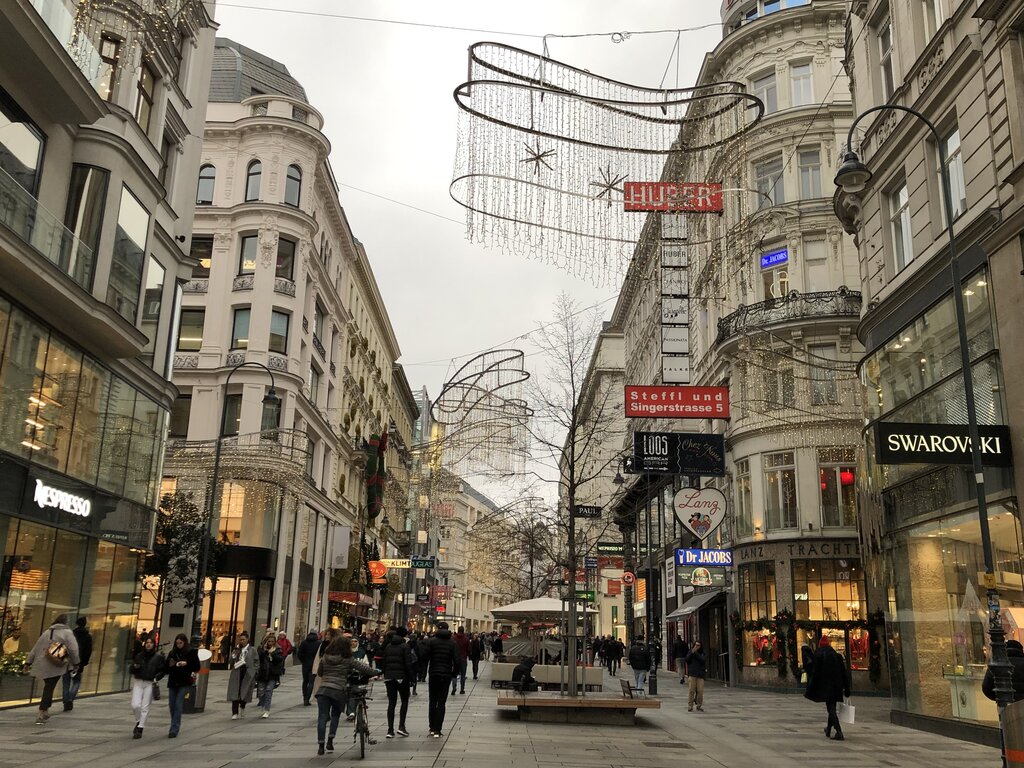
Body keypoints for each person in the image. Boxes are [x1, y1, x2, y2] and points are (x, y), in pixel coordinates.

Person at [314, 634, 379, 756]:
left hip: (323, 690)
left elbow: (320, 673)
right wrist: (376, 671)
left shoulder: (325, 657)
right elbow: (363, 667)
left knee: (322, 717)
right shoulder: (347, 658)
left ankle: (321, 745)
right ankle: (330, 740)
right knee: (335, 716)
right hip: (338, 690)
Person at [25, 614, 80, 725]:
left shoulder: (46, 632)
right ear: (65, 622)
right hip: (57, 664)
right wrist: (76, 662)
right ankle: (42, 711)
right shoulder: (67, 633)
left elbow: (35, 648)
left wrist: (28, 661)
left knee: (49, 686)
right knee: (49, 687)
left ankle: (45, 711)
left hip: (43, 663)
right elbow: (73, 649)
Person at [804, 635, 851, 741]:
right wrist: (847, 689)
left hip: (825, 687)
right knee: (832, 707)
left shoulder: (818, 655)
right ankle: (829, 729)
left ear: (820, 645)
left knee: (831, 709)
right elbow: (844, 674)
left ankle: (839, 732)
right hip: (837, 687)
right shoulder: (837, 656)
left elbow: (814, 672)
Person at [420, 621, 459, 738]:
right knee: (441, 702)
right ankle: (438, 729)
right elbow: (457, 661)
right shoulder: (452, 643)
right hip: (446, 674)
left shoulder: (431, 642)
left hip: (433, 673)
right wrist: (454, 674)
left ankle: (432, 727)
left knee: (432, 701)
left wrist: (423, 673)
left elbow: (424, 657)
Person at [381, 627, 415, 738]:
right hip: (401, 677)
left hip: (389, 677)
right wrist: (412, 678)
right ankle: (401, 727)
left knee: (391, 703)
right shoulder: (405, 646)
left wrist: (386, 674)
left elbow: (384, 662)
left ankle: (390, 730)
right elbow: (408, 664)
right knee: (404, 701)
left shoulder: (388, 646)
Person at [129, 636, 166, 738]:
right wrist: (135, 668)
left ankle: (140, 728)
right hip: (139, 681)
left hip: (150, 682)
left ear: (154, 645)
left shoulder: (158, 657)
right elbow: (132, 668)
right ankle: (138, 721)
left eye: (151, 643)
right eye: (147, 642)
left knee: (145, 706)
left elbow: (163, 670)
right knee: (135, 705)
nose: (149, 644)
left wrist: (156, 678)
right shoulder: (139, 656)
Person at [165, 634, 200, 738]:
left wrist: (187, 664)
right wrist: (172, 664)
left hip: (184, 681)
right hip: (173, 680)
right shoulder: (173, 653)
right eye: (177, 643)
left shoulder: (191, 652)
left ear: (185, 642)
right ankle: (174, 723)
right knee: (172, 704)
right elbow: (167, 667)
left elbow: (197, 666)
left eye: (181, 643)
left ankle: (174, 728)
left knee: (178, 704)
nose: (179, 645)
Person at [62, 617, 93, 711]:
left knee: (66, 682)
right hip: (79, 662)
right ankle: (70, 699)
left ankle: (65, 700)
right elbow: (88, 651)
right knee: (76, 681)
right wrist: (84, 662)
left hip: (68, 661)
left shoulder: (71, 634)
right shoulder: (87, 636)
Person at [227, 632, 257, 719]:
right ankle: (234, 712)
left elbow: (256, 661)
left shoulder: (252, 650)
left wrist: (254, 671)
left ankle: (243, 706)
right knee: (235, 691)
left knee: (244, 691)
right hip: (237, 672)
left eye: (244, 639)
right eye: (241, 640)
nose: (242, 641)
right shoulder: (236, 650)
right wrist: (233, 656)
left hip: (247, 672)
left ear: (247, 640)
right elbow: (231, 660)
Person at [255, 633, 286, 718]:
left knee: (269, 691)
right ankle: (263, 704)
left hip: (272, 674)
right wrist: (265, 652)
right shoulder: (262, 649)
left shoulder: (277, 650)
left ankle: (266, 710)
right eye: (269, 641)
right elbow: (258, 658)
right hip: (262, 673)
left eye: (272, 641)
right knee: (261, 692)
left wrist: (272, 654)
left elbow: (280, 660)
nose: (270, 643)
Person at [296, 630, 320, 705]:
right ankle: (307, 698)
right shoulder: (318, 643)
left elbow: (299, 654)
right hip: (314, 665)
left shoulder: (304, 642)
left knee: (305, 681)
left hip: (305, 664)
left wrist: (303, 661)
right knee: (311, 682)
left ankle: (304, 696)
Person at [685, 640, 707, 712]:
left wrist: (696, 653)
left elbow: (702, 660)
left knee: (700, 691)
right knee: (691, 690)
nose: (696, 647)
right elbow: (687, 659)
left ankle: (699, 705)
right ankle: (690, 706)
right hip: (692, 674)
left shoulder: (702, 653)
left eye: (698, 646)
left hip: (700, 675)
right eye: (695, 645)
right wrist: (692, 653)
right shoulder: (690, 652)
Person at [452, 626, 470, 694]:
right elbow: (468, 649)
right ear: (463, 631)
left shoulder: (453, 638)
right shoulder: (466, 639)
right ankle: (462, 689)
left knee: (454, 674)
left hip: (455, 658)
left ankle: (454, 687)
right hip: (463, 658)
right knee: (463, 674)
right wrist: (467, 655)